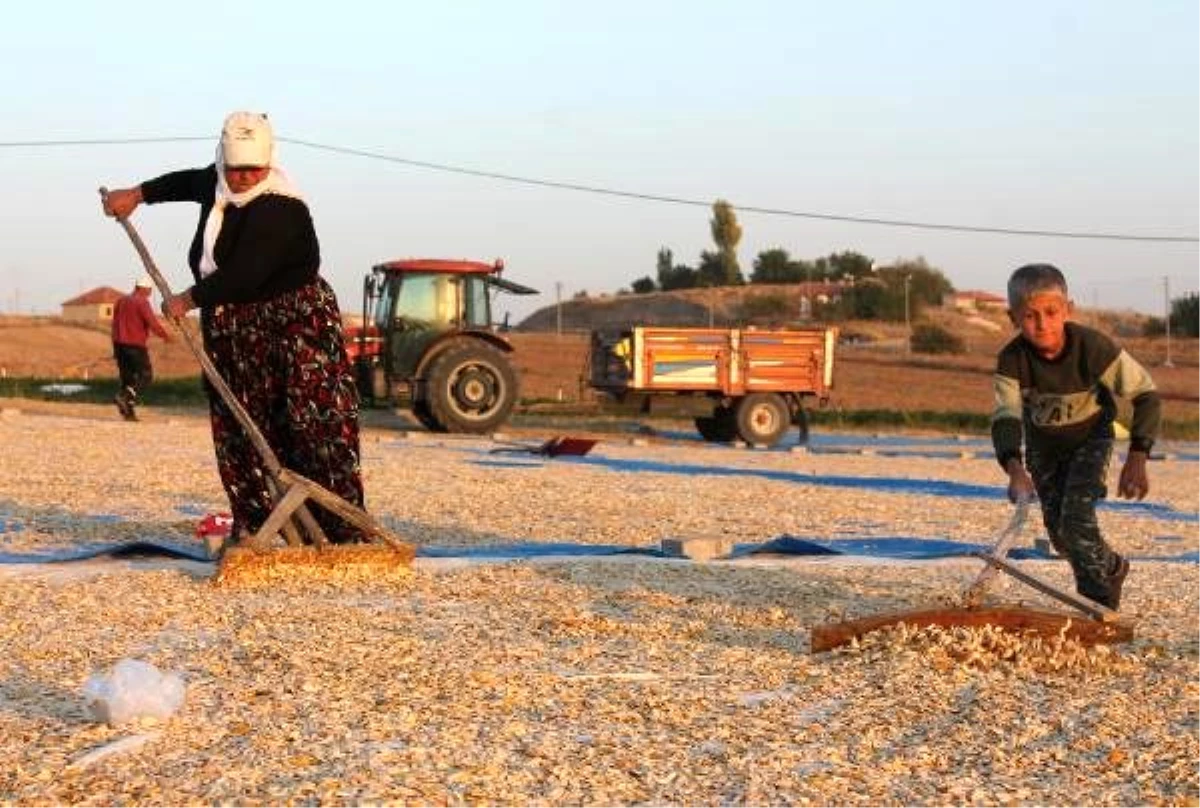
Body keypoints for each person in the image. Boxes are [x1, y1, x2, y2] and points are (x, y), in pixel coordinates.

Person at [101, 111, 365, 544]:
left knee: (310, 422)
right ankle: (258, 526)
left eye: (253, 169)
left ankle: (341, 529)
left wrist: (188, 299)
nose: (243, 178)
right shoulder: (218, 179)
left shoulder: (282, 207)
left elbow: (247, 272)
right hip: (234, 326)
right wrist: (138, 194)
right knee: (240, 426)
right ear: (223, 161)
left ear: (268, 163)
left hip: (294, 323)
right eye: (235, 168)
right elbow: (187, 182)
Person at [991, 263, 1161, 611]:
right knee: (1062, 537)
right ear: (1013, 318)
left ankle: (1097, 607)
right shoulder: (1012, 360)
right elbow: (1006, 416)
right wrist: (1015, 469)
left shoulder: (1093, 348)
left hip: (1090, 439)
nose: (1042, 325)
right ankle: (1112, 566)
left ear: (1068, 310)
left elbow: (1146, 395)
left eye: (1051, 313)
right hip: (1044, 446)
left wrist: (1137, 457)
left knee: (1077, 519)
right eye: (1030, 316)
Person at [111, 274, 171, 421]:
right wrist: (166, 336)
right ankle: (124, 397)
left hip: (119, 344)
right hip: (135, 345)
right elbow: (152, 323)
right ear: (145, 289)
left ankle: (128, 414)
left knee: (128, 380)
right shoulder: (142, 302)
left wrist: (115, 347)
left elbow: (114, 324)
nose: (150, 294)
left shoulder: (121, 300)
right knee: (146, 376)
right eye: (150, 291)